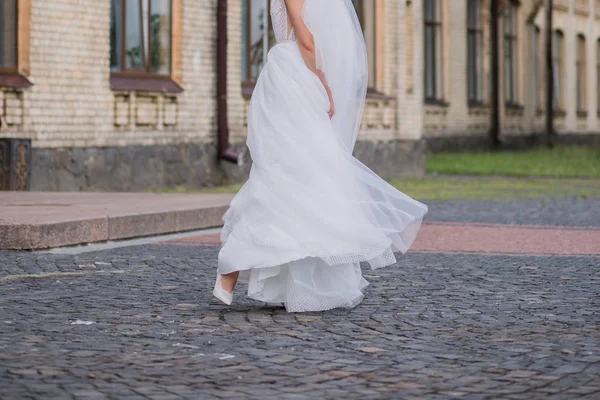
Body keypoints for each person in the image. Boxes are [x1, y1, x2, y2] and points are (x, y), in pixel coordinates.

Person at [213, 0, 428, 312]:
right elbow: (307, 39)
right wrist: (325, 85)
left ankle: (268, 274)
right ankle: (231, 265)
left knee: (299, 173)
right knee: (292, 170)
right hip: (295, 75)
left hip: (286, 72)